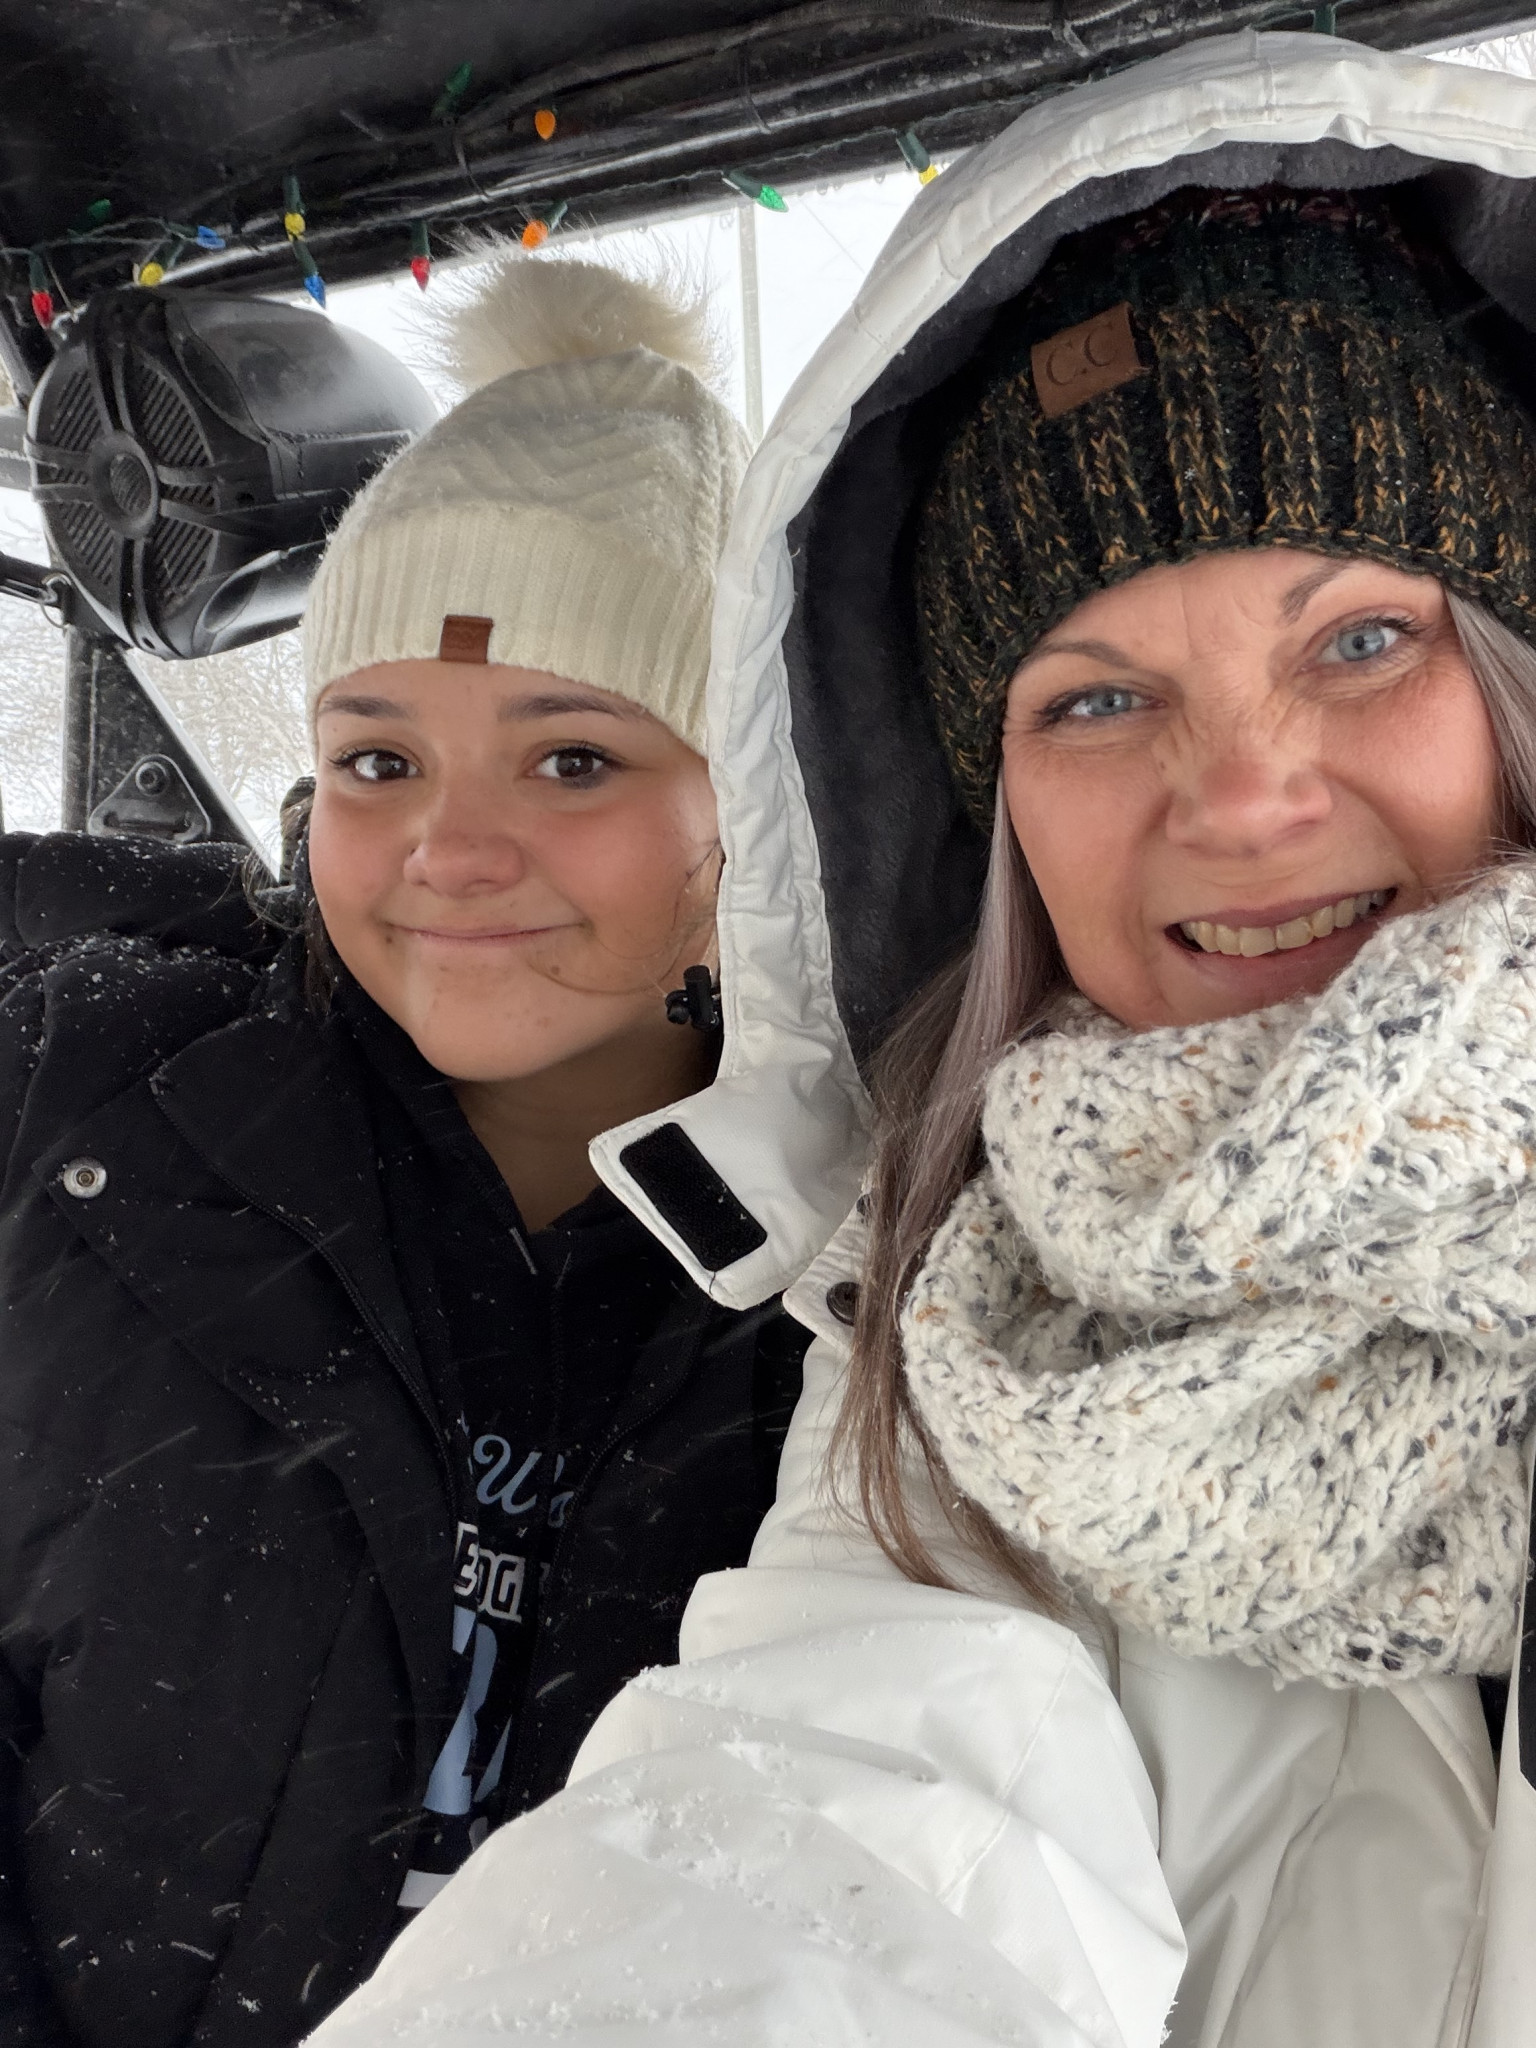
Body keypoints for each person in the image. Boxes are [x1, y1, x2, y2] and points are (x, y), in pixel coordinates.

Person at [301, 31, 1536, 2048]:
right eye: (1095, 699)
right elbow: (816, 1841)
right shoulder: (949, 1355)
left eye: (1363, 640)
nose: (1243, 798)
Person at [0, 251, 809, 2048]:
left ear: (753, 805)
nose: (448, 850)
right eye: (379, 763)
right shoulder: (75, 1111)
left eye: (573, 760)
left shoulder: (868, 1261)